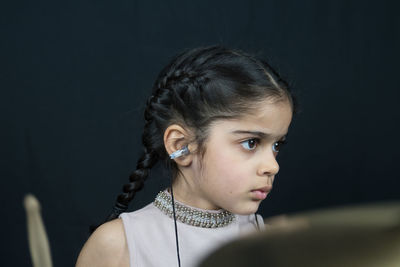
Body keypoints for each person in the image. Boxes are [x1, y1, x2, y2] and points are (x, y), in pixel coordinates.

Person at [76, 46, 295, 267]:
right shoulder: (119, 245)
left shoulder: (262, 237)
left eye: (276, 145)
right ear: (181, 146)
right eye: (251, 143)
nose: (272, 165)